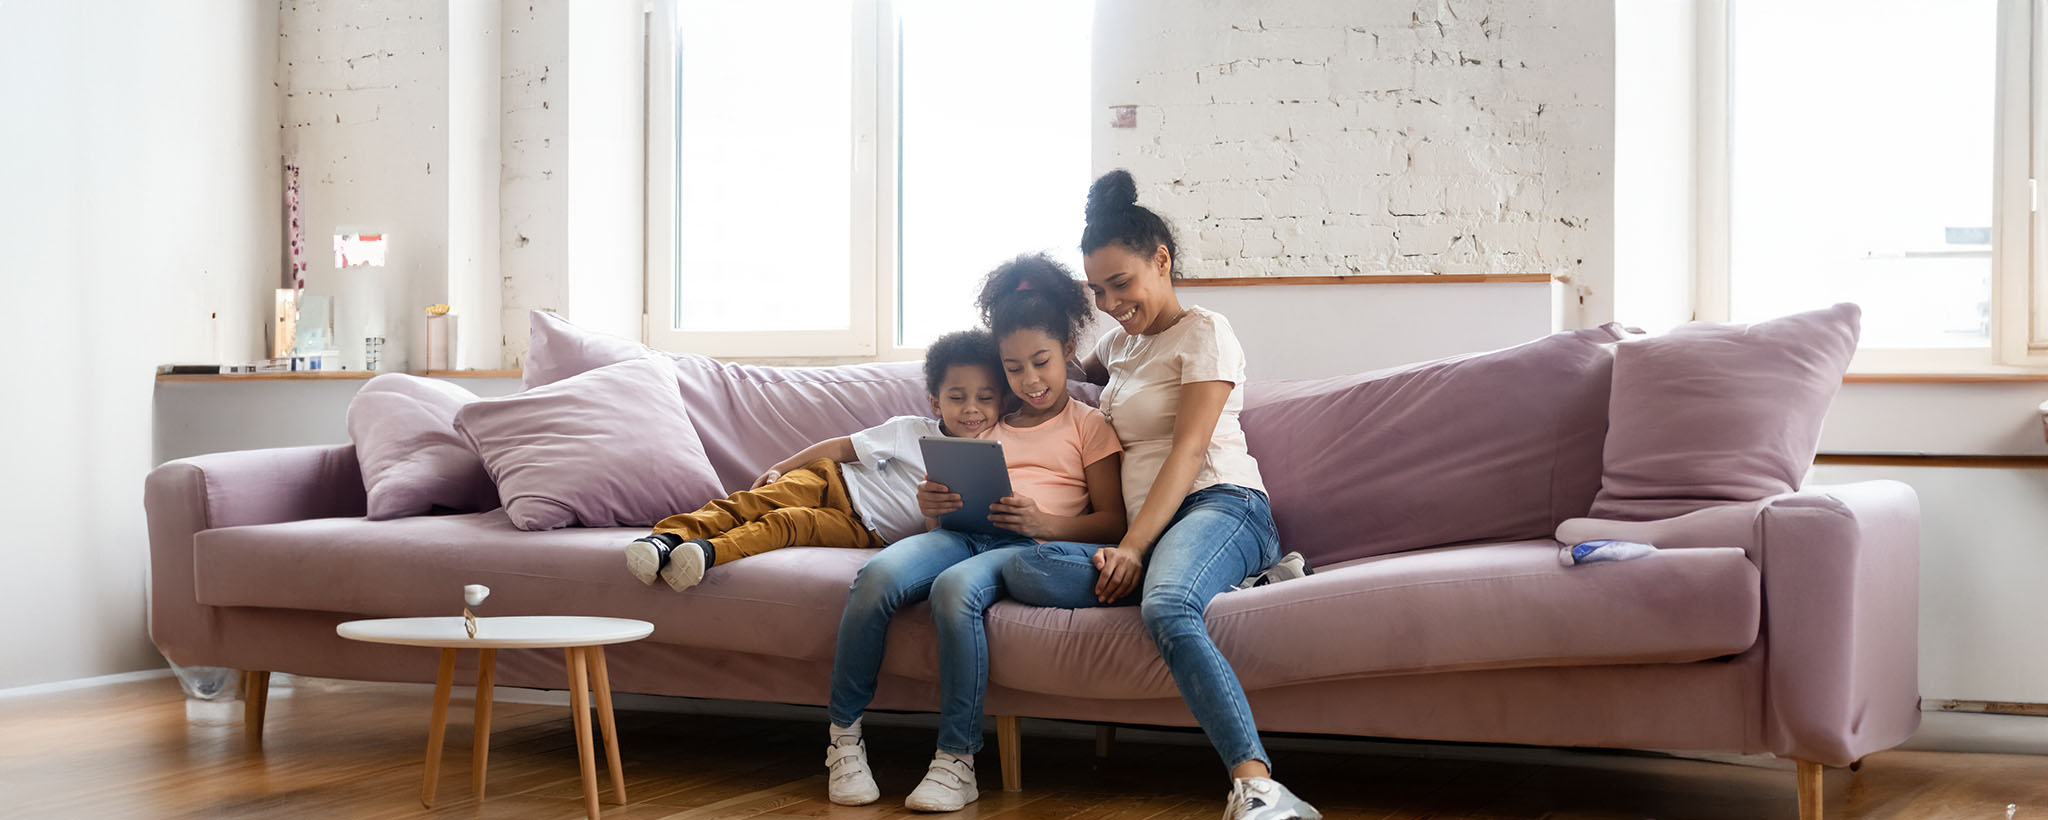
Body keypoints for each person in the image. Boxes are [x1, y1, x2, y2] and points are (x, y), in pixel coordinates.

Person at [1000, 170, 1322, 820]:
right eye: (1099, 290)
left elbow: (1188, 449)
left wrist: (1133, 545)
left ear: (1162, 261)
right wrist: (993, 370)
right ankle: (1191, 575)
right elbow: (1052, 371)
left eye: (1122, 283)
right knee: (1022, 566)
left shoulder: (1205, 332)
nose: (1113, 302)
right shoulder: (1118, 347)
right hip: (1152, 531)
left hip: (1221, 505)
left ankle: (1260, 788)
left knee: (1168, 606)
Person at [824, 253, 1126, 811]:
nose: (1030, 380)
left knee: (954, 589)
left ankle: (956, 761)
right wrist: (932, 506)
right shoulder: (988, 421)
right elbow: (949, 505)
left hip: (1029, 545)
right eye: (1013, 369)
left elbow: (1114, 520)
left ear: (1066, 353)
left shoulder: (1090, 425)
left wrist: (1047, 523)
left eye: (1041, 362)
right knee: (876, 576)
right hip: (963, 534)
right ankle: (843, 740)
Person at [621, 330, 1002, 592]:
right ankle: (667, 538)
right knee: (755, 502)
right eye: (957, 397)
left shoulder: (999, 455)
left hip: (866, 530)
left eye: (985, 398)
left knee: (788, 524)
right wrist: (784, 467)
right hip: (835, 480)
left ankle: (706, 553)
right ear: (936, 401)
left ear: (1000, 400)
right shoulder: (909, 430)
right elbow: (839, 448)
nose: (971, 408)